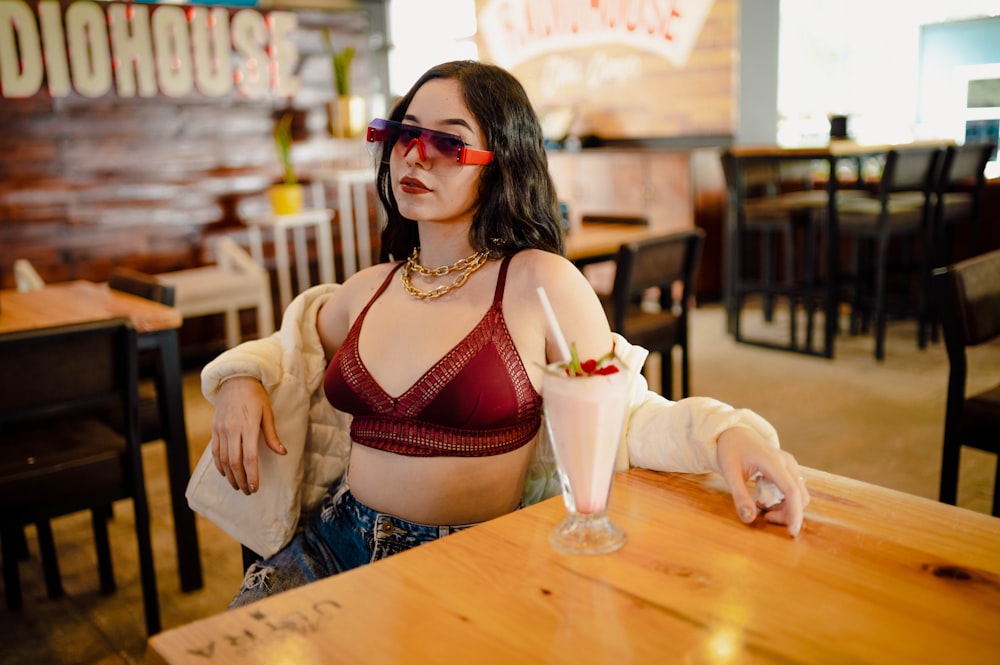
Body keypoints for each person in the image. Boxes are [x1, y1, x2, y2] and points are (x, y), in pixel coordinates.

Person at [188, 60, 809, 608]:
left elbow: (618, 416)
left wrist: (724, 432)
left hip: (471, 561)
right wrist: (241, 375)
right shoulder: (367, 287)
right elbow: (291, 345)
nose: (414, 154)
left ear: (502, 162)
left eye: (448, 144)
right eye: (405, 134)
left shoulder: (540, 283)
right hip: (330, 546)